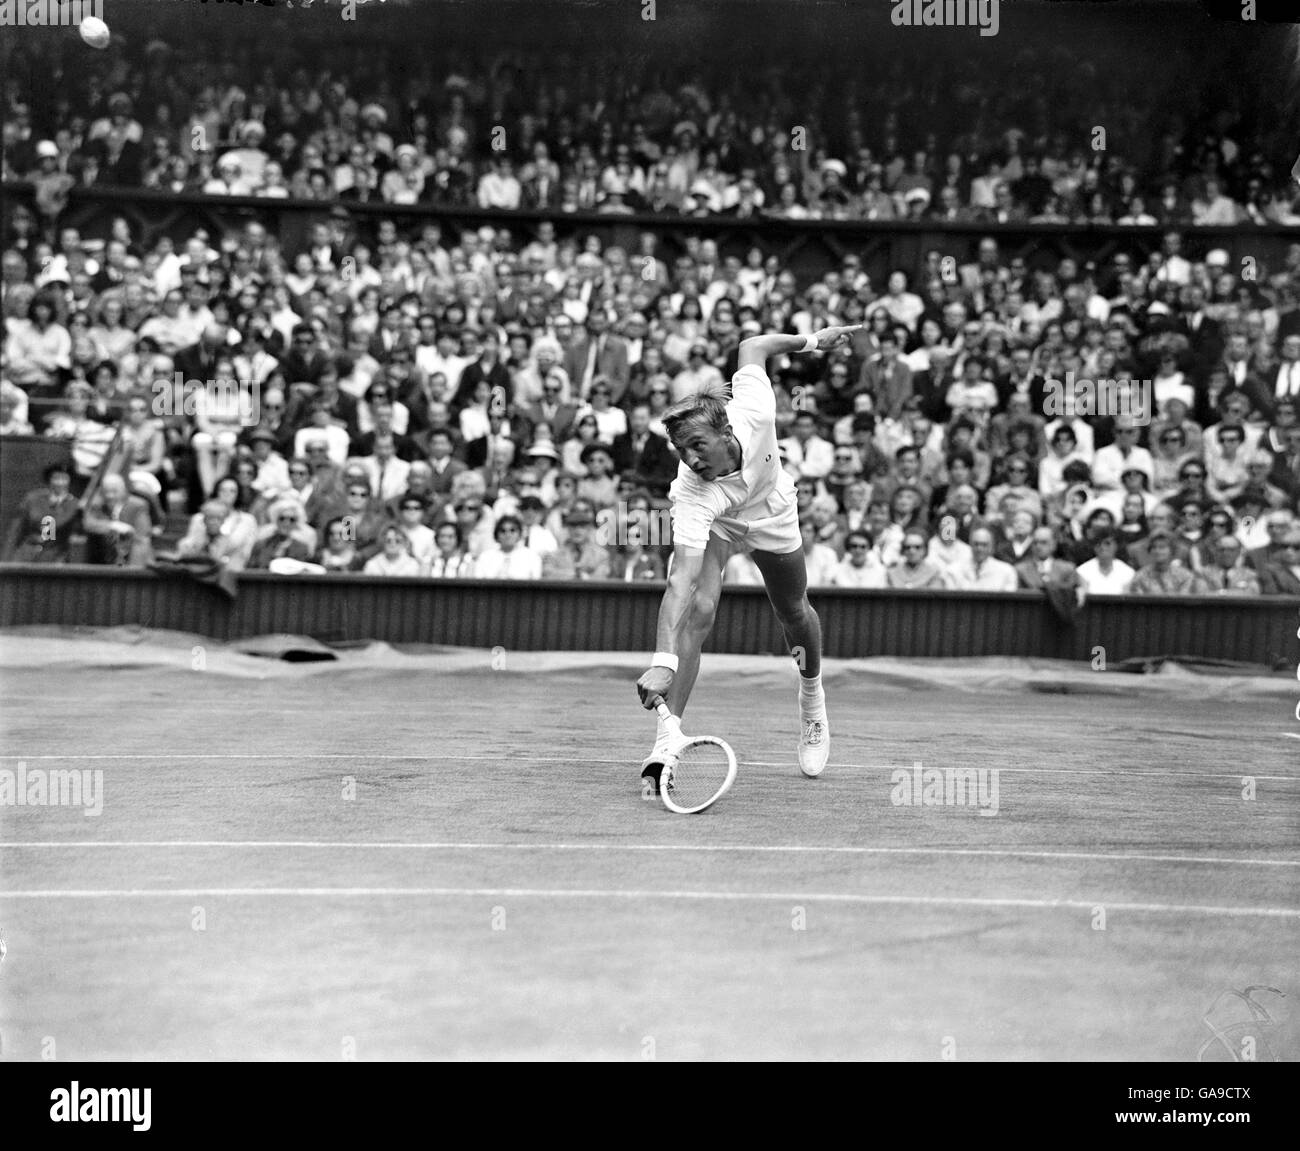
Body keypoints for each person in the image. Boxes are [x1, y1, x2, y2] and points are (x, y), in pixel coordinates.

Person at [634, 325, 860, 787]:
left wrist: (815, 341)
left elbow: (753, 346)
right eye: (681, 449)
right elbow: (680, 581)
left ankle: (812, 702)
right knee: (699, 607)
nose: (691, 458)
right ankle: (667, 742)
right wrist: (662, 659)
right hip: (718, 519)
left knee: (793, 611)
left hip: (772, 512)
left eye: (698, 445)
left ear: (725, 431)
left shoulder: (754, 408)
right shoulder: (693, 490)